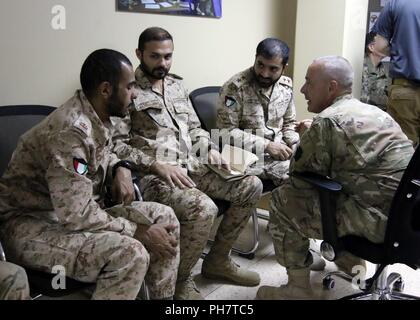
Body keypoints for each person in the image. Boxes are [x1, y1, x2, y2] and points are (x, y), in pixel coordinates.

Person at [0, 49, 180, 300]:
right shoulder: (69, 132)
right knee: (130, 252)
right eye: (129, 87)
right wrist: (137, 230)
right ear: (106, 89)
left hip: (78, 213)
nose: (135, 93)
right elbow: (76, 214)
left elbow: (103, 155)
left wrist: (121, 167)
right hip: (32, 226)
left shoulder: (101, 114)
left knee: (165, 218)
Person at [112, 27, 263, 300]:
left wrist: (208, 150)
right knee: (203, 209)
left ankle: (218, 262)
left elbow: (194, 129)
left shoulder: (176, 85)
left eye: (168, 56)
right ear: (139, 54)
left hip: (191, 164)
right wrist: (156, 165)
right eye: (155, 57)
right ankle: (180, 281)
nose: (163, 64)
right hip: (153, 175)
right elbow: (117, 145)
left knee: (251, 185)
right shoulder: (128, 89)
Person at [256, 56, 414, 300]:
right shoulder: (372, 111)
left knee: (283, 200)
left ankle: (297, 290)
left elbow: (298, 175)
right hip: (410, 219)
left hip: (380, 224)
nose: (302, 89)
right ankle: (351, 263)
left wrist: (304, 139)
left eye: (309, 82)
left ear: (331, 87)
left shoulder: (328, 121)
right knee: (339, 193)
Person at [217, 38, 325, 271]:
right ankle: (294, 251)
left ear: (284, 67)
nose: (265, 73)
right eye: (260, 65)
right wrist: (267, 145)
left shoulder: (285, 85)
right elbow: (224, 133)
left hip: (275, 155)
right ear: (255, 59)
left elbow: (288, 123)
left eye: (273, 68)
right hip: (240, 155)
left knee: (312, 175)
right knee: (294, 184)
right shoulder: (235, 87)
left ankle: (297, 241)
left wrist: (293, 144)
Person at [372, 0, 420, 145]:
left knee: (404, 151)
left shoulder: (396, 3)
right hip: (405, 91)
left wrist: (404, 51)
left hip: (405, 91)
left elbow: (379, 47)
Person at [360, 31, 390, 111]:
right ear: (371, 47)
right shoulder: (361, 67)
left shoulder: (381, 68)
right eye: (384, 39)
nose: (387, 43)